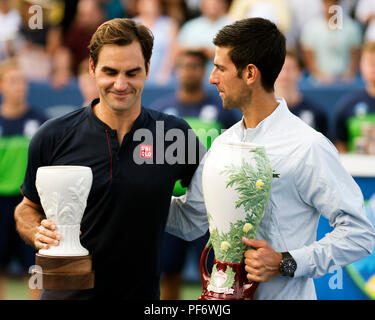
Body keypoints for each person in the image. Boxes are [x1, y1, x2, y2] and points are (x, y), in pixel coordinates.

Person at [166, 17, 375, 300]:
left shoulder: (308, 146)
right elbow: (191, 221)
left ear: (250, 73)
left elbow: (360, 233)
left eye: (220, 68)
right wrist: (138, 190)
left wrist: (286, 262)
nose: (212, 77)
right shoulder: (223, 144)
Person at [14, 18, 207, 300]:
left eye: (132, 72)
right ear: (92, 68)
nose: (120, 84)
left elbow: (212, 198)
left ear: (148, 70)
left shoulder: (174, 135)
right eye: (109, 71)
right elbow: (27, 208)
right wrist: (36, 230)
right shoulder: (53, 135)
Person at [150, 49, 240, 300]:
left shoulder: (223, 110)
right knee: (168, 271)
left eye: (195, 66)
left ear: (204, 71)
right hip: (172, 208)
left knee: (214, 273)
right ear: (176, 70)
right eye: (184, 66)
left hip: (213, 208)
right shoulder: (161, 111)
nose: (189, 71)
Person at [0, 58, 47, 300]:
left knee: (35, 268)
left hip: (30, 205)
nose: (19, 86)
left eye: (22, 81)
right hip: (0, 204)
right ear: (1, 86)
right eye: (13, 81)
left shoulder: (41, 122)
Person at [300, 0, 362, 85]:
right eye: (327, 3)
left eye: (334, 3)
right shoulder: (311, 28)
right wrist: (321, 76)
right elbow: (309, 58)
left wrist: (348, 75)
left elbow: (355, 57)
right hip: (318, 83)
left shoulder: (352, 27)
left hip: (347, 83)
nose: (330, 6)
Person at [275, 50, 328, 137]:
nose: (284, 74)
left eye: (289, 69)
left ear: (300, 72)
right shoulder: (262, 114)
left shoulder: (316, 113)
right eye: (280, 68)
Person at [334, 41, 375, 154]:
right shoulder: (348, 104)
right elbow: (340, 146)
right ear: (361, 66)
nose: (373, 66)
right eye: (369, 62)